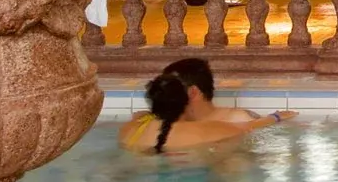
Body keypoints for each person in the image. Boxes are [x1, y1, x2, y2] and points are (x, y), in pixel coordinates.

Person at [119, 66, 291, 154]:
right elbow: (247, 127)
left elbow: (141, 116)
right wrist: (275, 117)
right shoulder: (202, 130)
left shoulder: (131, 128)